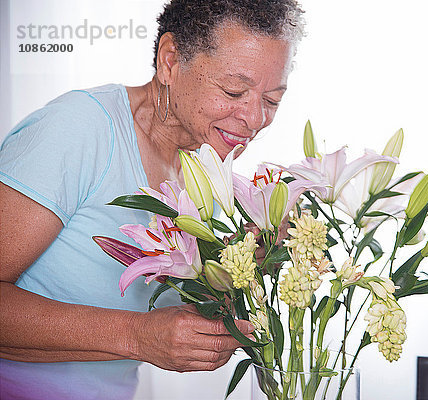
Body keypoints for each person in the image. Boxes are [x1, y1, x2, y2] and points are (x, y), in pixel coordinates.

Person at [0, 0, 304, 398]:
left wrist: (252, 258)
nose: (254, 120)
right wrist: (138, 336)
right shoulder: (78, 129)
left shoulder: (207, 169)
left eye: (272, 100)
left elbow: (190, 305)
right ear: (170, 61)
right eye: (234, 91)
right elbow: (144, 333)